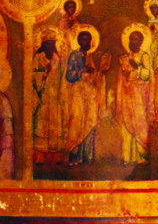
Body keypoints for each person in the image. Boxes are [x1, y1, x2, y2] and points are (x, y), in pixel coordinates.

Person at [66, 30, 109, 165]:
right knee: (76, 122)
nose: (86, 43)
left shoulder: (92, 56)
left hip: (90, 93)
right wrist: (82, 71)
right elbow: (69, 76)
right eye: (84, 40)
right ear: (79, 41)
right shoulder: (74, 55)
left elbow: (95, 77)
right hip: (78, 92)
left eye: (88, 40)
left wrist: (101, 72)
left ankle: (87, 155)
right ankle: (74, 155)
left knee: (91, 121)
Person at [115, 29, 154, 163]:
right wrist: (125, 75)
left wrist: (136, 68)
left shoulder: (144, 56)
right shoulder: (126, 57)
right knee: (126, 124)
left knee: (140, 124)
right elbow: (122, 76)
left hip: (139, 96)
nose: (133, 42)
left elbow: (147, 75)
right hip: (127, 95)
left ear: (141, 42)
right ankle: (127, 157)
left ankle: (141, 157)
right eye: (132, 39)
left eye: (137, 39)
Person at [32, 34, 64, 165]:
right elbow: (34, 75)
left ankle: (55, 155)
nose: (50, 47)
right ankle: (40, 155)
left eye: (52, 44)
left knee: (55, 125)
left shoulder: (57, 59)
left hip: (55, 97)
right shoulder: (38, 58)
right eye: (47, 44)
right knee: (42, 125)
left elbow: (61, 76)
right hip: (43, 97)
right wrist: (44, 73)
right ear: (43, 45)